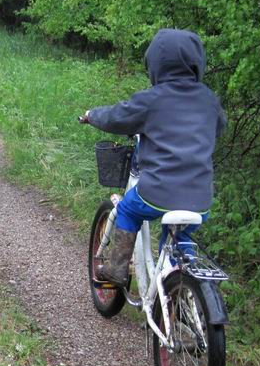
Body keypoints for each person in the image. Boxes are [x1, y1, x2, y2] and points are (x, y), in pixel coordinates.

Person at [79, 28, 227, 288]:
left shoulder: (152, 100)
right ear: (196, 63)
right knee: (181, 238)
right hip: (200, 198)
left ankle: (116, 270)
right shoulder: (208, 99)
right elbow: (218, 127)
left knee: (126, 210)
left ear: (156, 64)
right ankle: (182, 284)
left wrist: (92, 115)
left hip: (157, 192)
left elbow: (117, 117)